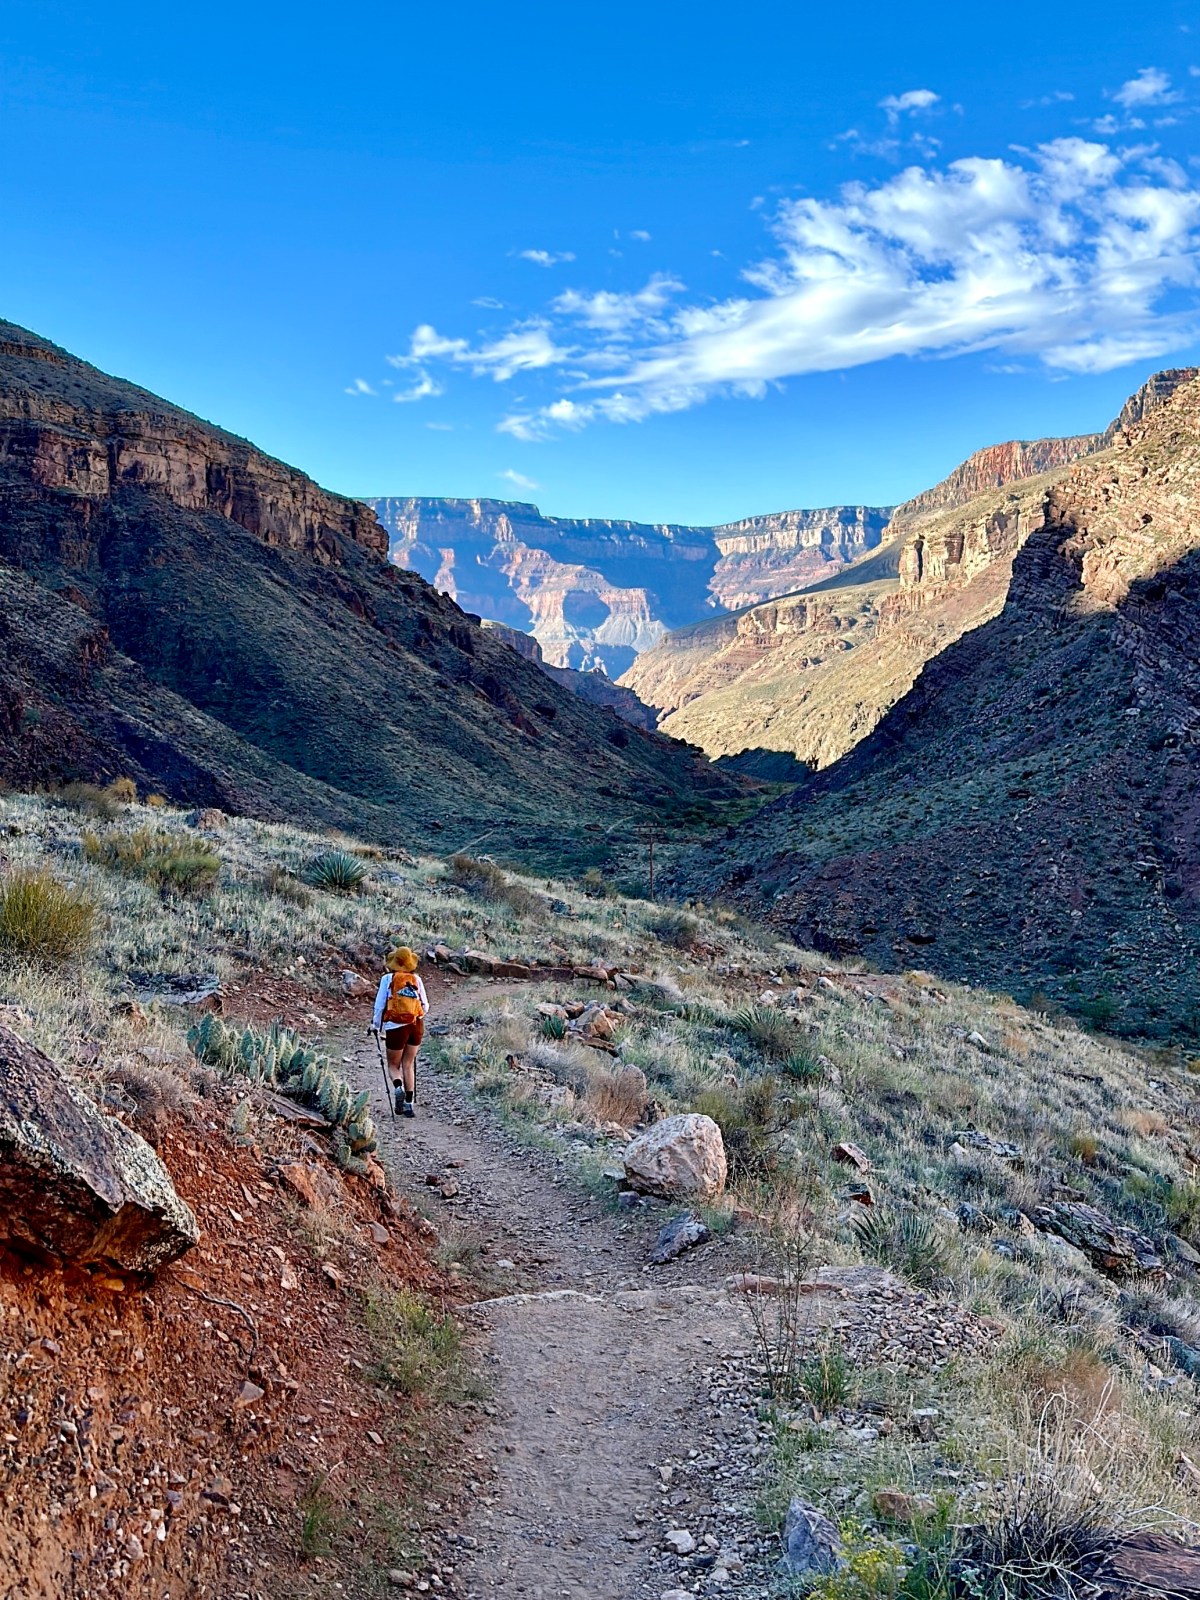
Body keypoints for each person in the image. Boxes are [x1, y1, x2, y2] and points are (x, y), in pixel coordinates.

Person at [371, 946, 428, 1117]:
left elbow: (380, 1005)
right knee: (408, 1063)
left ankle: (398, 1087)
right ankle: (409, 1104)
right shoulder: (416, 979)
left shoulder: (387, 979)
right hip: (416, 1025)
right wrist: (415, 1015)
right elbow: (425, 1006)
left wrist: (376, 1025)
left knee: (393, 1065)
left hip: (395, 1027)